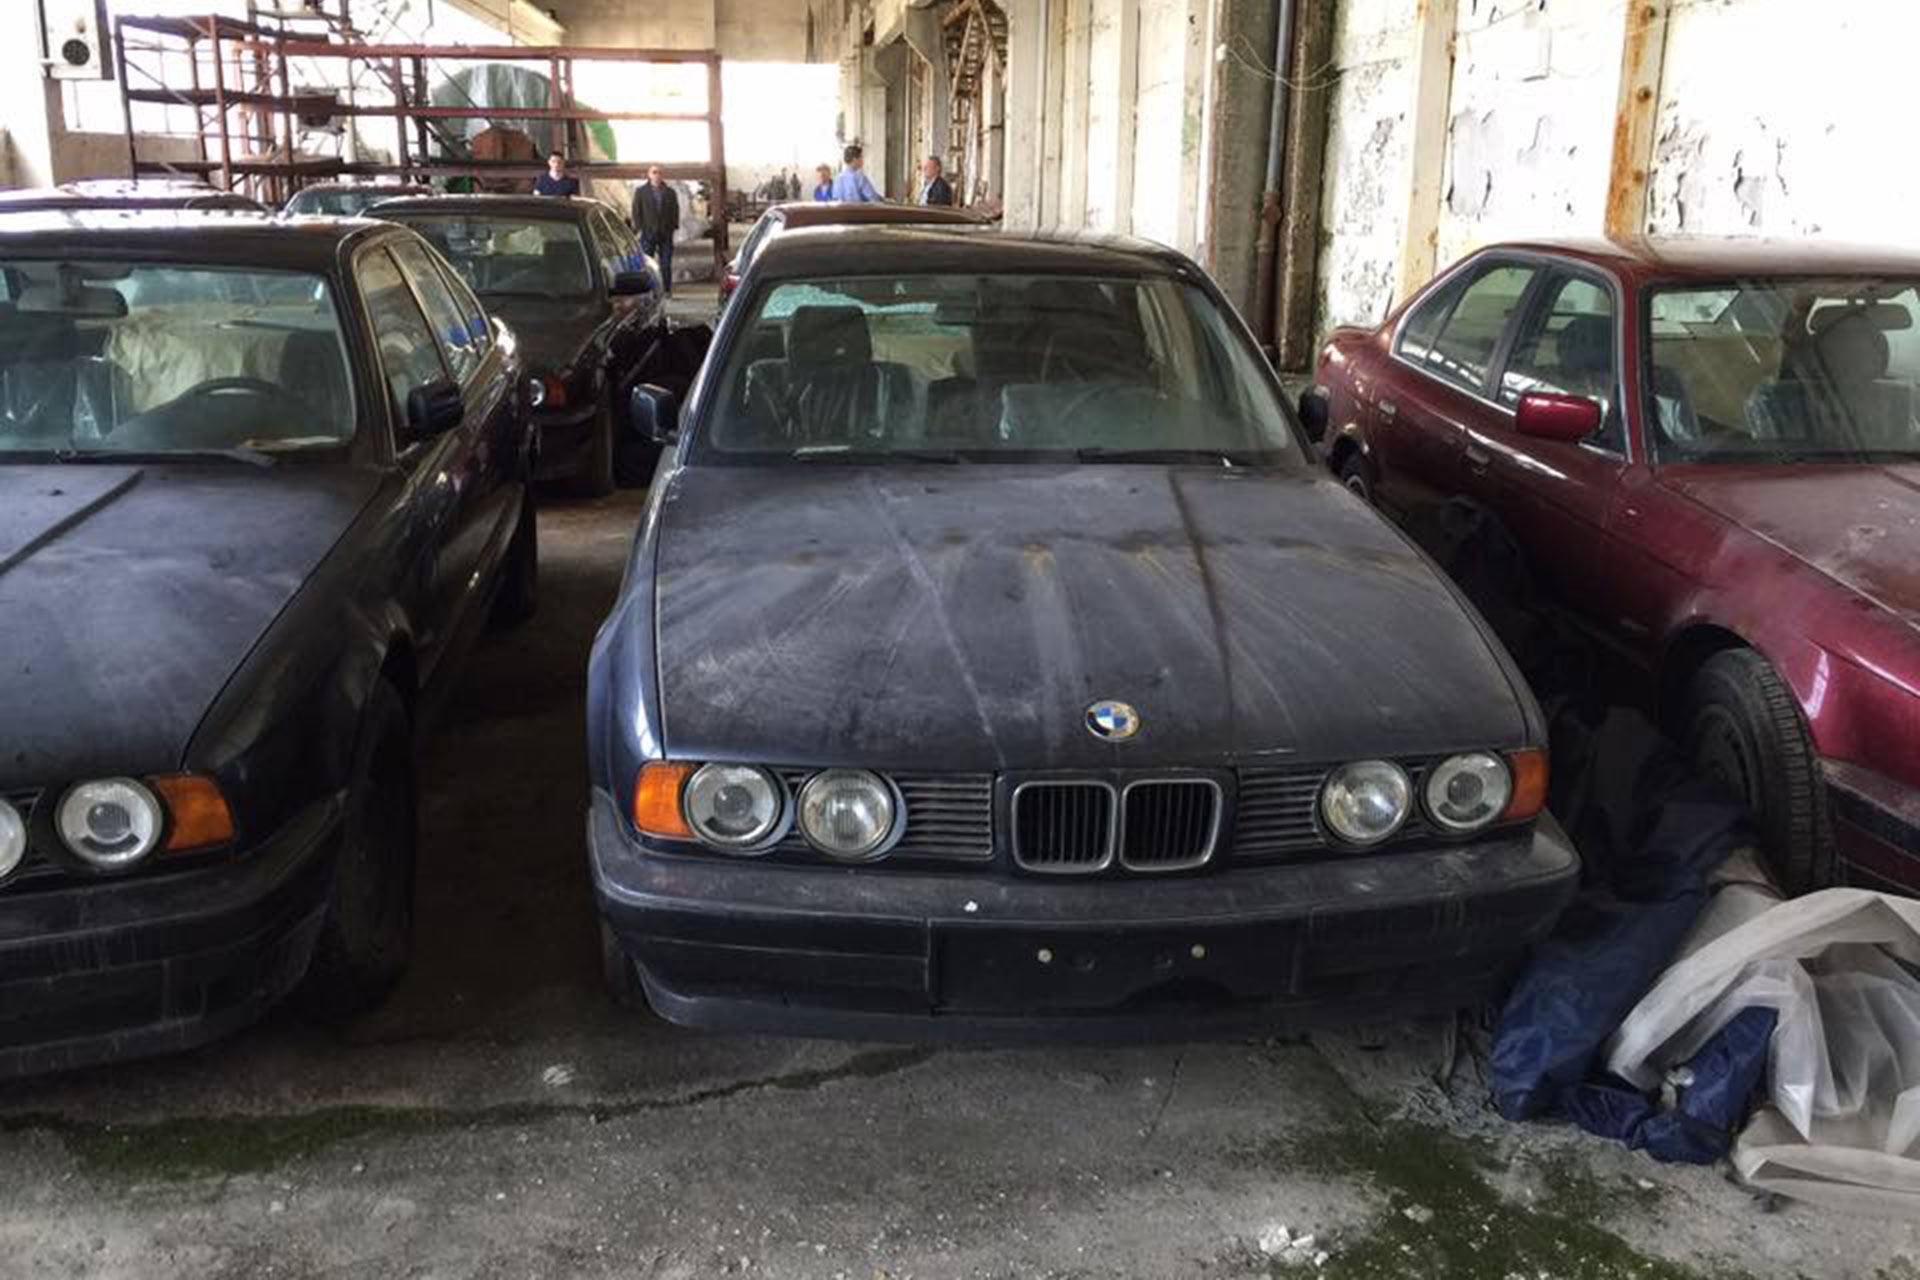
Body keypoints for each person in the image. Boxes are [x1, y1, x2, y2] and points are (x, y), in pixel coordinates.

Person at [630, 165, 679, 297]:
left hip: (665, 234)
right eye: (654, 172)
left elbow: (675, 211)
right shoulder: (641, 192)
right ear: (649, 174)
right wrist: (639, 229)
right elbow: (636, 212)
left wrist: (673, 228)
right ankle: (649, 291)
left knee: (666, 263)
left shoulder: (670, 192)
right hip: (648, 233)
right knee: (647, 263)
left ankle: (667, 290)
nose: (657, 175)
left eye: (659, 173)